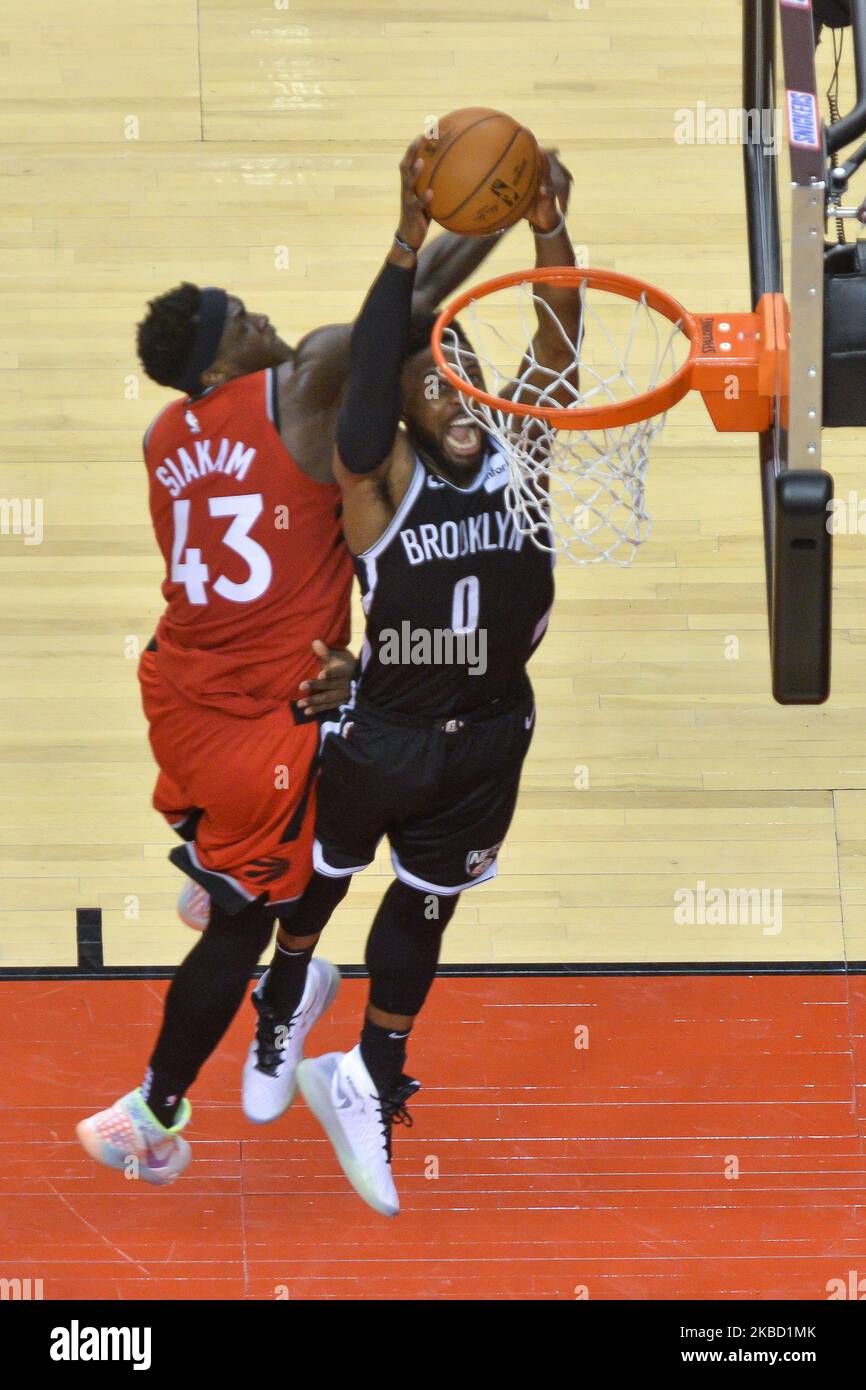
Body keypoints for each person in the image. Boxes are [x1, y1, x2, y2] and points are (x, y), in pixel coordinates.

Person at [75, 222, 519, 1184]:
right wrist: (488, 209)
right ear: (217, 361)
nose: (261, 314)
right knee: (258, 904)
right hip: (262, 719)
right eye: (241, 319)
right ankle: (150, 1110)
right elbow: (393, 314)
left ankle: (227, 871)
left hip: (182, 690)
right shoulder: (303, 385)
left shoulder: (164, 437)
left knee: (287, 836)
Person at [281, 139, 580, 1217]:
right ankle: (282, 996)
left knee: (429, 902)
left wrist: (547, 224)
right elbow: (362, 395)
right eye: (430, 384)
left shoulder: (519, 453)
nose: (457, 394)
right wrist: (407, 237)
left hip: (492, 728)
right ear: (403, 416)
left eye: (463, 376)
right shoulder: (378, 481)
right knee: (326, 864)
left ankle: (363, 1074)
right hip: (388, 720)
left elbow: (554, 344)